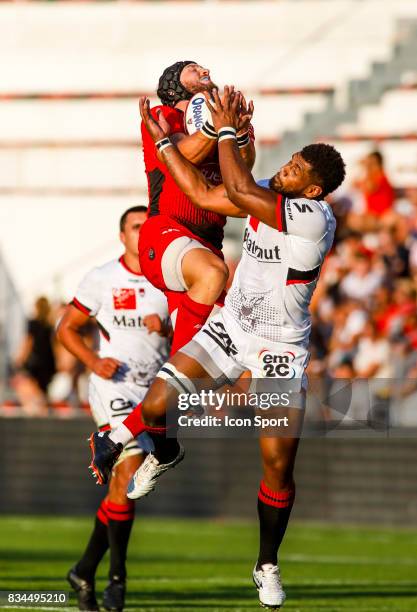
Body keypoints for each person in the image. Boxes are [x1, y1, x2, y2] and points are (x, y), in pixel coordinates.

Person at [89, 89, 346, 609]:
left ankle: (267, 563)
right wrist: (165, 148)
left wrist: (227, 132)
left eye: (296, 169)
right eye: (290, 161)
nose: (286, 170)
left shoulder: (313, 218)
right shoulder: (271, 192)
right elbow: (207, 197)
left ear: (314, 189)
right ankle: (162, 451)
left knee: (277, 464)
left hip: (279, 347)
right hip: (233, 327)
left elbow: (235, 184)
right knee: (159, 402)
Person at [57, 206, 170, 612]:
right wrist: (92, 361)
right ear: (122, 236)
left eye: (148, 227)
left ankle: (84, 569)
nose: (143, 233)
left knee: (124, 490)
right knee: (127, 473)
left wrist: (169, 328)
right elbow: (66, 327)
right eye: (136, 227)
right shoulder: (102, 278)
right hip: (113, 387)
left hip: (155, 392)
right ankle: (117, 581)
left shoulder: (169, 278)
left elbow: (197, 330)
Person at [139, 61, 255, 355]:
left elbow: (243, 170)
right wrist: (216, 126)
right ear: (173, 83)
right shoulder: (162, 115)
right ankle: (175, 376)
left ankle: (170, 393)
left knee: (221, 356)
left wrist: (238, 131)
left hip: (207, 244)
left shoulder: (222, 117)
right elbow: (181, 154)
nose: (204, 70)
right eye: (193, 69)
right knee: (214, 273)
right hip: (167, 232)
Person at [12, 296, 56, 416]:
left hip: (35, 361)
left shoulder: (33, 323)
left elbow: (28, 342)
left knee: (30, 387)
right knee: (43, 390)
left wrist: (20, 358)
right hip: (48, 362)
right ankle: (44, 412)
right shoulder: (49, 325)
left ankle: (35, 411)